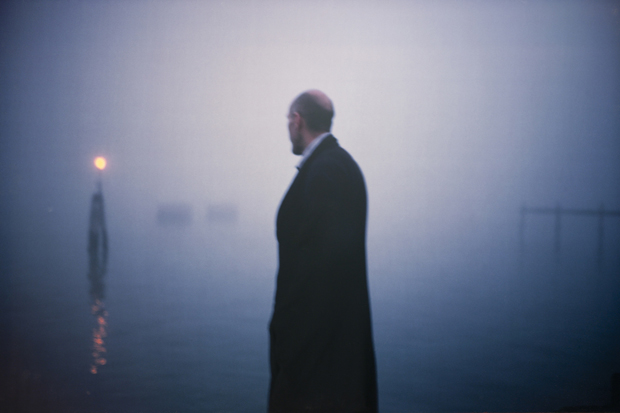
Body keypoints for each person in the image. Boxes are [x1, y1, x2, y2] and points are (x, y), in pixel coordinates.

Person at [268, 90, 377, 412]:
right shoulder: (342, 166)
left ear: (297, 120)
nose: (288, 129)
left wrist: (288, 335)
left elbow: (319, 268)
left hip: (315, 351)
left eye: (288, 121)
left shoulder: (324, 172)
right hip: (336, 345)